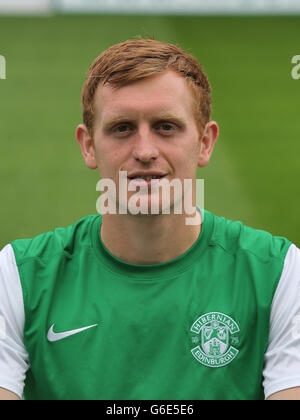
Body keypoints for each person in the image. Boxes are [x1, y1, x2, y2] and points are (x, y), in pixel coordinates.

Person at [0, 39, 300, 401]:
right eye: (122, 128)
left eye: (166, 127)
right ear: (88, 146)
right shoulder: (19, 276)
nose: (144, 151)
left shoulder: (279, 273)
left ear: (205, 142)